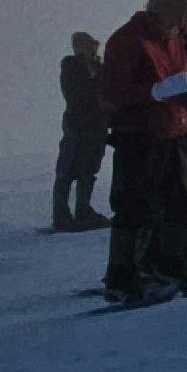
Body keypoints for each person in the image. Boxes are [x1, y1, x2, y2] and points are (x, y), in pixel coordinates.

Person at [97, 0, 187, 304]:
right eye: (183, 15)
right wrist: (154, 92)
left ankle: (170, 268)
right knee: (135, 206)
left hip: (172, 131)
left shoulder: (173, 40)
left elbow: (179, 82)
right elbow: (112, 93)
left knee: (179, 202)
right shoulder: (129, 40)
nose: (185, 23)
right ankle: (125, 278)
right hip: (137, 134)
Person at [52, 31, 110, 232]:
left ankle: (83, 210)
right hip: (78, 127)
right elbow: (78, 95)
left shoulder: (99, 69)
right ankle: (61, 214)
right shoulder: (71, 67)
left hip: (95, 127)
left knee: (88, 170)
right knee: (67, 171)